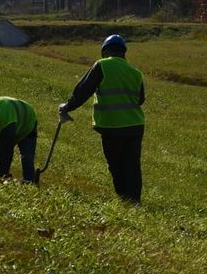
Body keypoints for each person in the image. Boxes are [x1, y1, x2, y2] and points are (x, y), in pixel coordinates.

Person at [59, 34, 145, 203]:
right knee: (132, 164)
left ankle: (124, 197)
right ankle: (134, 199)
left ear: (105, 51)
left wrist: (68, 107)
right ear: (124, 53)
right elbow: (140, 99)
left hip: (112, 125)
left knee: (115, 162)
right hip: (135, 125)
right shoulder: (136, 72)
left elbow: (84, 90)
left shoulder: (102, 65)